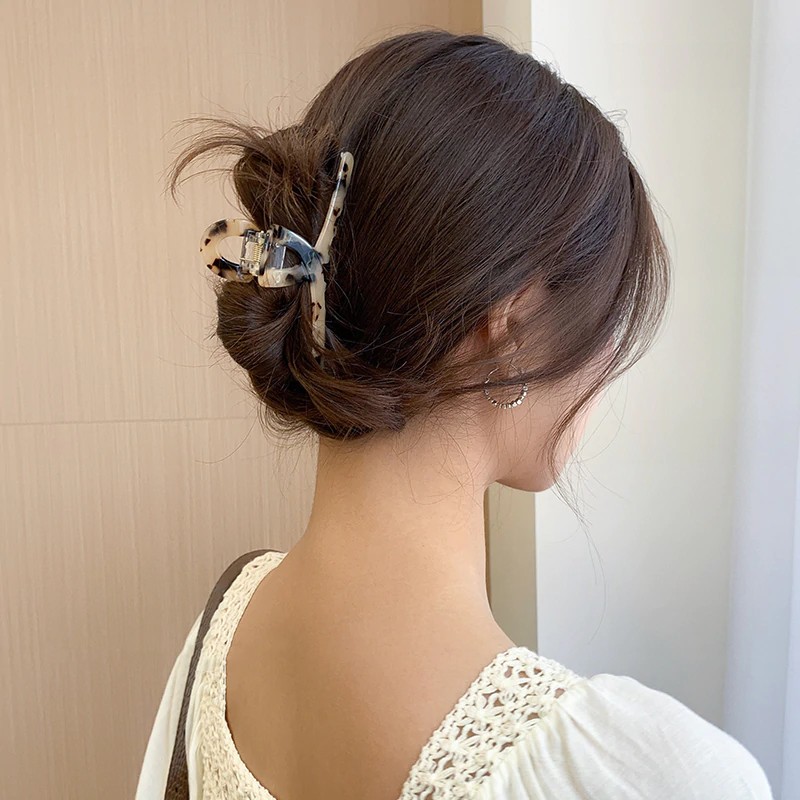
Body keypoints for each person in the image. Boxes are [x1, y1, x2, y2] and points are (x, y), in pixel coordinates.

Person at [136, 29, 773, 800]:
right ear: (511, 321)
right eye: (605, 322)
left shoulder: (217, 642)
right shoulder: (651, 778)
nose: (606, 366)